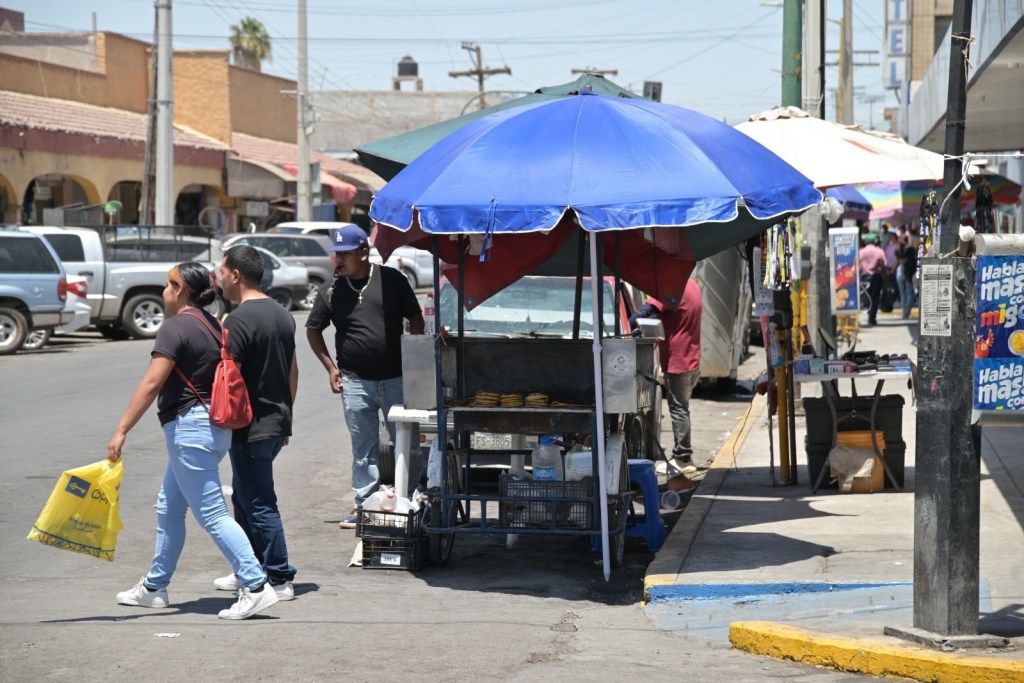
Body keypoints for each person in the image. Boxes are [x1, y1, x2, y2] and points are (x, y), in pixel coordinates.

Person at [107, 262, 278, 620]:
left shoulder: (175, 327)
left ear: (181, 289)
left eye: (168, 285)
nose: (164, 291)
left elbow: (152, 383)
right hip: (214, 428)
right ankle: (154, 587)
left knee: (213, 514)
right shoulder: (214, 325)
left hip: (190, 430)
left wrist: (122, 428)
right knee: (169, 507)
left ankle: (256, 585)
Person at [306, 225, 424, 529]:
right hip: (355, 382)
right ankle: (365, 506)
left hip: (397, 379)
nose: (338, 260)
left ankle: (409, 500)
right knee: (364, 450)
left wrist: (414, 360)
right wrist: (331, 369)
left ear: (362, 252)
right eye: (336, 255)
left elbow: (415, 317)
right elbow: (313, 329)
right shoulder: (331, 290)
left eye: (345, 254)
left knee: (406, 444)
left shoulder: (392, 280)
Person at [211, 245, 299, 601]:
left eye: (221, 271)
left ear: (235, 274)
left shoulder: (238, 320)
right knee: (245, 498)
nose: (219, 278)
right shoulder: (282, 314)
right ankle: (248, 569)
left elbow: (232, 379)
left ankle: (278, 577)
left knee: (259, 502)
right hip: (275, 422)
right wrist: (286, 417)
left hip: (251, 427)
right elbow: (292, 370)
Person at [629, 278, 702, 470]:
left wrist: (626, 328)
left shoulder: (673, 288)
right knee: (682, 408)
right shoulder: (692, 285)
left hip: (678, 360)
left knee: (679, 410)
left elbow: (643, 312)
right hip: (692, 357)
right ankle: (683, 456)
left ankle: (683, 458)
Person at [859, 232, 888, 326]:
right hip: (876, 277)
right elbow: (885, 265)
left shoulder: (861, 252)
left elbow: (856, 264)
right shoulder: (879, 251)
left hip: (864, 277)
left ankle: (869, 313)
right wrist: (885, 275)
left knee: (866, 298)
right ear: (875, 241)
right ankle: (872, 318)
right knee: (875, 298)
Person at [893, 227, 917, 319]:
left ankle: (904, 313)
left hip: (899, 272)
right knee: (909, 293)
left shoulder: (898, 251)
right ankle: (907, 311)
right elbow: (912, 261)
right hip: (908, 273)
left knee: (902, 293)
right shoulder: (910, 250)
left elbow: (897, 262)